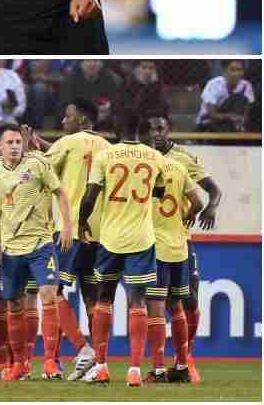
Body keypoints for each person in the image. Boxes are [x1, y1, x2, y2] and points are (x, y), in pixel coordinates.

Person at [77, 116, 168, 386]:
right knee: (137, 303)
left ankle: (102, 366)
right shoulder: (154, 156)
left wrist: (82, 224)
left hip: (110, 238)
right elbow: (160, 192)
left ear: (117, 129)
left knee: (103, 299)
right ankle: (135, 371)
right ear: (142, 129)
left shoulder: (106, 155)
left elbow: (91, 195)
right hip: (141, 238)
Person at [0, 124, 72, 380]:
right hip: (10, 248)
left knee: (48, 295)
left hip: (41, 244)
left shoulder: (38, 164)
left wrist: (67, 227)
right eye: (9, 142)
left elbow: (60, 193)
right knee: (13, 303)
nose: (14, 146)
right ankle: (20, 364)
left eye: (18, 141)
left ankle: (50, 362)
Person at [148, 114, 222, 384]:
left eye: (160, 128)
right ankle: (176, 362)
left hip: (180, 239)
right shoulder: (144, 160)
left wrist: (210, 206)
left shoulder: (183, 159)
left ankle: (186, 357)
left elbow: (213, 190)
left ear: (169, 131)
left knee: (188, 299)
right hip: (151, 241)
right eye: (152, 128)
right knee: (161, 302)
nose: (156, 133)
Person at [43, 100, 106, 380]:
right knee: (92, 298)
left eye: (67, 116)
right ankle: (99, 365)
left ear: (81, 119)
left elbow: (40, 171)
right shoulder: (108, 148)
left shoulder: (68, 142)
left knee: (52, 291)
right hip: (100, 232)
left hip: (68, 229)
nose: (62, 120)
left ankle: (83, 350)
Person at [142, 123, 204, 385]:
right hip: (179, 245)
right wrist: (186, 218)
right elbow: (199, 202)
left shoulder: (144, 170)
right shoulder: (178, 168)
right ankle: (181, 366)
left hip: (154, 246)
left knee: (154, 308)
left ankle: (157, 370)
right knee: (176, 306)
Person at [196, 60, 255, 132]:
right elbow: (212, 114)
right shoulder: (213, 84)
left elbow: (246, 112)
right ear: (224, 71)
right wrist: (230, 116)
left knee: (241, 99)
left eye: (239, 70)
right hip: (209, 122)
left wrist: (241, 119)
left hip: (234, 124)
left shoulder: (246, 85)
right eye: (232, 70)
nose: (235, 74)